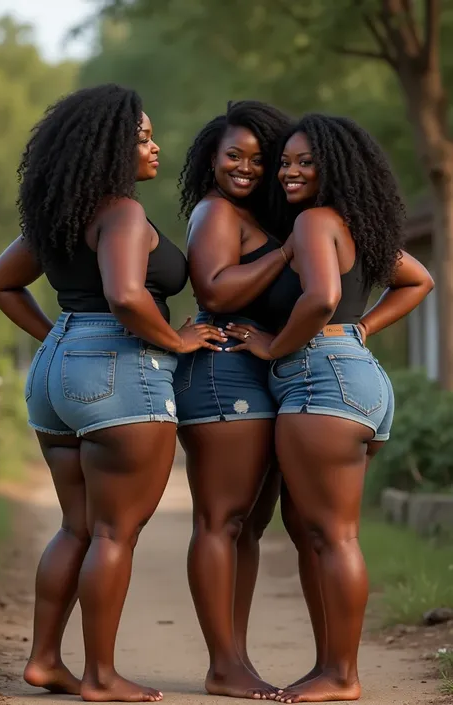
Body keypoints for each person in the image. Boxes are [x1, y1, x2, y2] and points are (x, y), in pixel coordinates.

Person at [0, 83, 225, 703]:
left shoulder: (61, 213)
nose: (154, 146)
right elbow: (124, 295)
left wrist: (61, 337)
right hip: (122, 371)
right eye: (141, 137)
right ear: (109, 147)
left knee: (78, 527)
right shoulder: (121, 212)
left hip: (57, 372)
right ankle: (100, 675)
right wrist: (174, 340)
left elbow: (0, 283)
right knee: (114, 532)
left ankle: (45, 661)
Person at [225, 113, 434, 703]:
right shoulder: (354, 225)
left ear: (333, 168)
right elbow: (418, 280)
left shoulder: (316, 222)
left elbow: (321, 298)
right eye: (286, 161)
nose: (289, 172)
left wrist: (272, 345)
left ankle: (342, 675)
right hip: (355, 379)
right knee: (321, 534)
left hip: (321, 381)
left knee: (332, 536)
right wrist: (363, 329)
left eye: (304, 162)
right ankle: (330, 669)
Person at [174, 100, 293, 700]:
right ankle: (222, 663)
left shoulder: (260, 217)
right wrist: (288, 252)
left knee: (247, 526)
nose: (245, 167)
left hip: (257, 378)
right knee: (221, 521)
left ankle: (235, 658)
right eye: (233, 155)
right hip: (223, 374)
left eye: (258, 158)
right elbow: (215, 291)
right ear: (212, 160)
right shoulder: (216, 211)